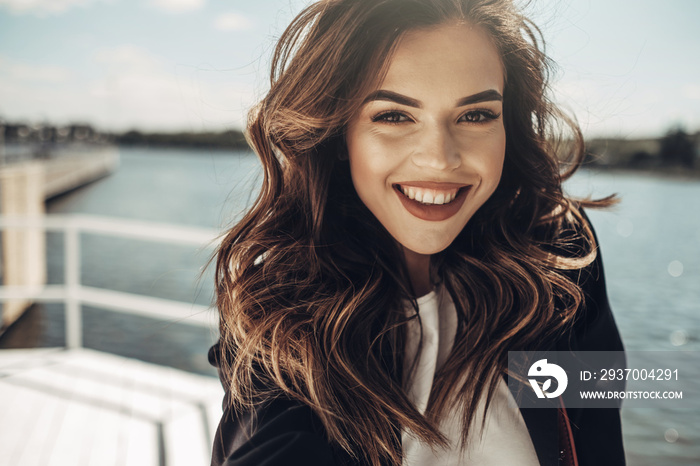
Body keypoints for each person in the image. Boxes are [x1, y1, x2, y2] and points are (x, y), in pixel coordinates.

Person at [209, 0, 626, 465]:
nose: (440, 159)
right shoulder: (280, 306)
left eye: (476, 115)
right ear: (338, 134)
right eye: (393, 116)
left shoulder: (560, 248)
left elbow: (600, 432)